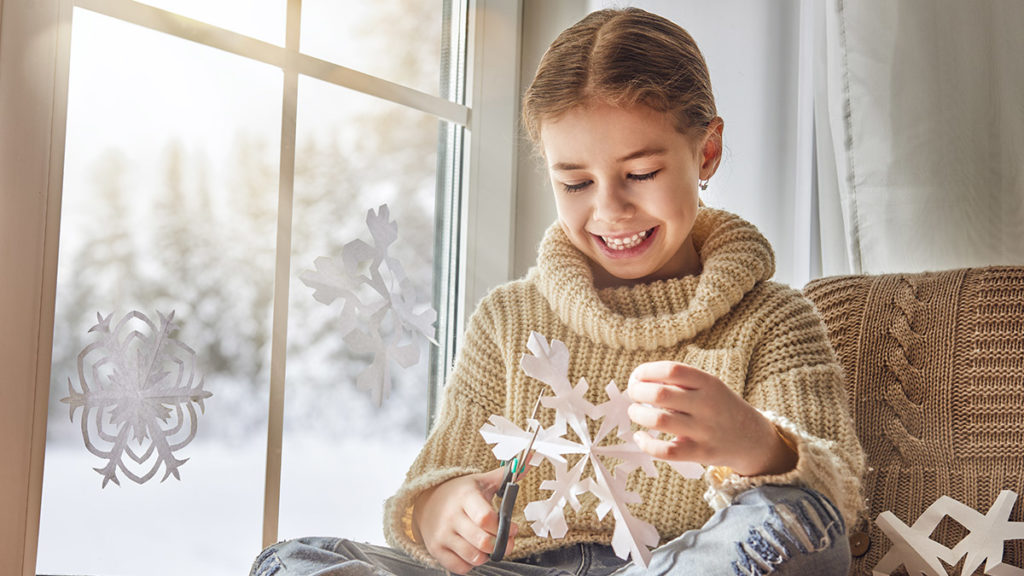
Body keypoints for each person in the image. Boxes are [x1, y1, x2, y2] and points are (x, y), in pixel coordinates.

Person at [251, 7, 865, 576]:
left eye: (641, 174)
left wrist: (758, 442)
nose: (610, 209)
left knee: (799, 523)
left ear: (706, 151)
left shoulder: (774, 320)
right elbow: (437, 478)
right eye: (575, 183)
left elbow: (831, 502)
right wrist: (440, 512)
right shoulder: (508, 320)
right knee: (294, 559)